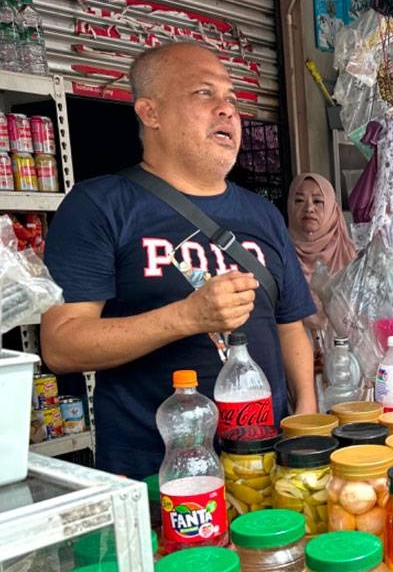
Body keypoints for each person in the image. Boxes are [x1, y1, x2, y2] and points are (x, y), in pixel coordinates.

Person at [41, 42, 317, 479]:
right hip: (158, 478)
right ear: (150, 113)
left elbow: (289, 325)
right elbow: (61, 345)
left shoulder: (262, 214)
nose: (227, 110)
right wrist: (187, 316)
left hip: (266, 468)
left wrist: (305, 416)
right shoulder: (99, 205)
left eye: (231, 98)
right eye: (204, 94)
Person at [286, 172, 356, 335]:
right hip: (294, 349)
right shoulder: (279, 255)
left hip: (344, 351)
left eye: (318, 201)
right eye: (299, 200)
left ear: (332, 207)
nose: (309, 208)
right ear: (290, 205)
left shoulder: (350, 256)